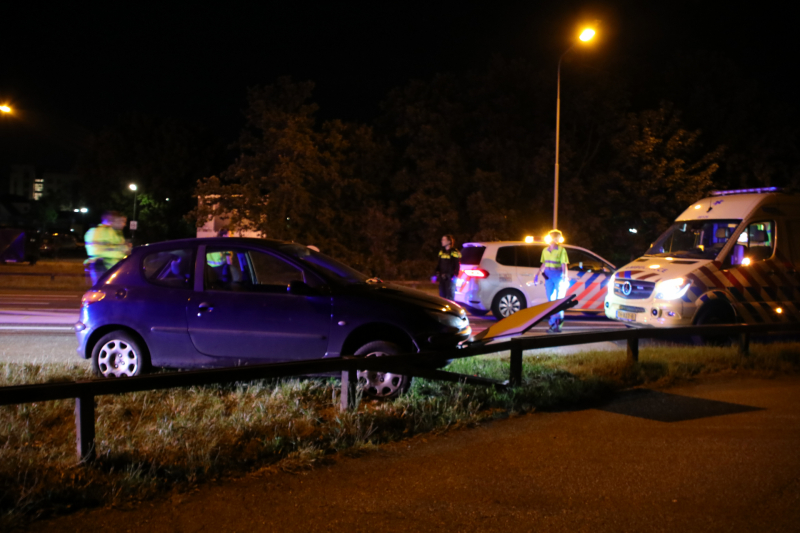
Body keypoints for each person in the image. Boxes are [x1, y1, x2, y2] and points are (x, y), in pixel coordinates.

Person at [534, 229, 570, 333]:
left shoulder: (561, 250)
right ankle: (554, 324)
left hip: (558, 277)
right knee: (551, 302)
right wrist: (537, 274)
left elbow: (564, 265)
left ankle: (557, 325)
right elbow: (544, 263)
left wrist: (565, 277)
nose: (557, 240)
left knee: (558, 302)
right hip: (549, 278)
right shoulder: (545, 250)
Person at [84, 211, 131, 285]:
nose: (124, 224)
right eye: (121, 221)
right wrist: (123, 249)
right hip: (105, 267)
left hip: (108, 267)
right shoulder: (105, 231)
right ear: (111, 220)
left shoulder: (112, 232)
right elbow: (99, 250)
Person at [432, 234, 461, 301]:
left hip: (450, 278)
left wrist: (454, 276)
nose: (442, 241)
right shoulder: (441, 252)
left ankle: (450, 311)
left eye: (444, 240)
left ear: (449, 242)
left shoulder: (454, 252)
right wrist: (435, 274)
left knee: (450, 298)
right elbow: (439, 264)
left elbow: (457, 265)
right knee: (442, 297)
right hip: (442, 278)